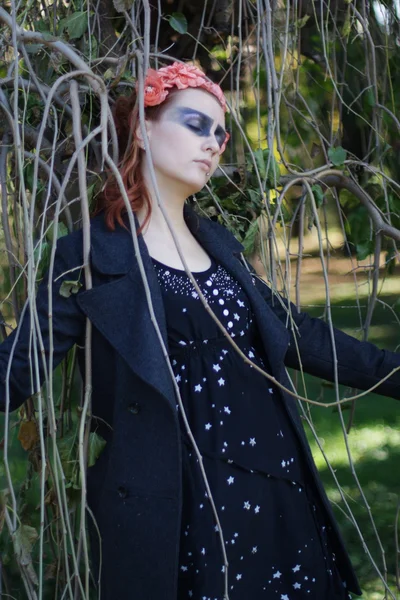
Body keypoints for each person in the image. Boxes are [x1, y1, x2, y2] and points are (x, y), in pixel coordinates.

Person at [1, 61, 399, 600]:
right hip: (178, 512)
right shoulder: (92, 256)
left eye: (219, 133)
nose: (212, 143)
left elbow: (298, 333)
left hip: (276, 490)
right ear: (141, 129)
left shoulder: (221, 248)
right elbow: (17, 371)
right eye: (195, 124)